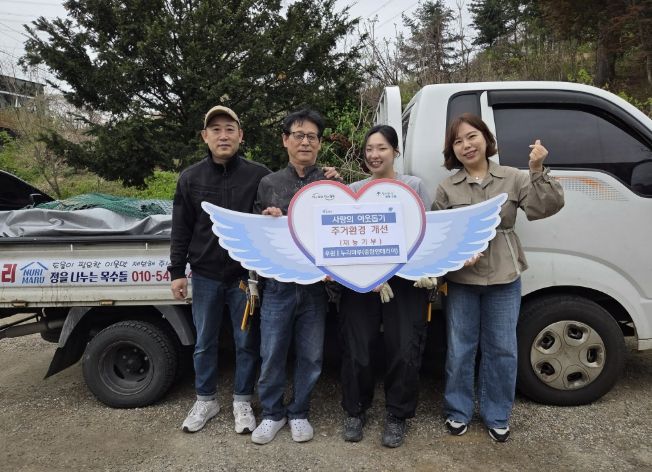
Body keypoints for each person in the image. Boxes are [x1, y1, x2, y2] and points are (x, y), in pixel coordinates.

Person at [433, 113, 564, 442]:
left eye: (472, 137)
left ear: (486, 139)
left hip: (504, 276)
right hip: (462, 279)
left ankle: (496, 413)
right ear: (452, 149)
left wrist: (537, 169)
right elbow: (438, 234)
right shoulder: (447, 187)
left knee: (502, 348)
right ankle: (458, 410)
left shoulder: (514, 177)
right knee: (460, 348)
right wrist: (457, 253)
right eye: (458, 141)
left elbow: (544, 207)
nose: (466, 145)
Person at [168, 105, 271, 434]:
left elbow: (275, 212)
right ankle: (206, 399)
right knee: (204, 342)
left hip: (244, 278)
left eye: (229, 129)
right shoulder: (191, 178)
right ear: (205, 136)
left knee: (246, 342)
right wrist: (176, 271)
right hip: (206, 275)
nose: (223, 135)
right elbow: (181, 228)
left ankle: (242, 400)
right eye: (215, 130)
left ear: (241, 135)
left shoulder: (259, 175)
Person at [338, 125, 433, 448]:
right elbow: (345, 239)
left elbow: (426, 233)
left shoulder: (413, 186)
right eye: (369, 149)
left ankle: (397, 415)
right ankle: (355, 410)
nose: (374, 155)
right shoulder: (354, 190)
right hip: (362, 282)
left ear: (395, 151)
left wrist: (426, 271)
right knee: (357, 347)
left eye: (381, 148)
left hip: (405, 281)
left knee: (404, 347)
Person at [250, 109, 337, 445]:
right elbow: (258, 235)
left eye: (312, 136)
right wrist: (268, 217)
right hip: (278, 286)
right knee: (271, 353)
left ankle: (299, 412)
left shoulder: (330, 183)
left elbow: (341, 233)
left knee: (311, 356)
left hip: (317, 288)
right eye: (298, 135)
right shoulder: (269, 183)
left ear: (319, 143)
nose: (305, 142)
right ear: (285, 140)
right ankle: (272, 414)